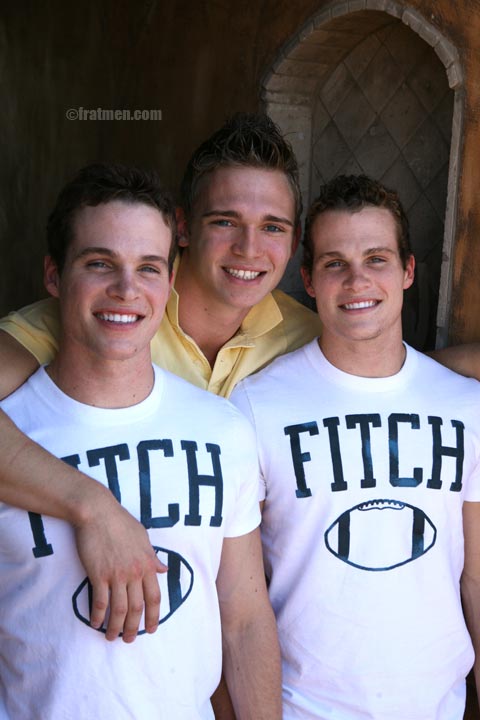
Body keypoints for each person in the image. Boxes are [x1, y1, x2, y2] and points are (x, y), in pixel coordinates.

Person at [0, 113, 322, 641]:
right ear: (183, 226)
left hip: (241, 628)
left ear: (294, 241)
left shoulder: (309, 339)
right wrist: (93, 507)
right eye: (225, 221)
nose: (248, 248)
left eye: (272, 227)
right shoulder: (107, 317)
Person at [230, 175, 480, 719]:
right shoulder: (254, 407)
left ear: (408, 271)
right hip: (302, 707)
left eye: (376, 259)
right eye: (335, 263)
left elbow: (477, 579)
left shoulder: (466, 406)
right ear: (308, 279)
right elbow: (237, 605)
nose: (356, 280)